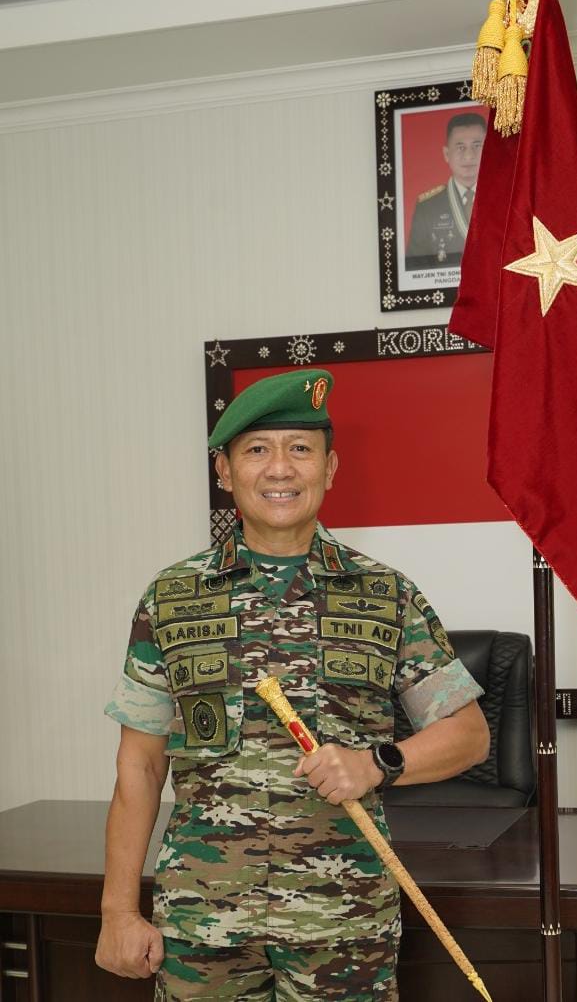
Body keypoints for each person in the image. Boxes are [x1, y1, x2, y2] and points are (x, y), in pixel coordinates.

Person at [97, 368, 490, 1001]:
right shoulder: (170, 598)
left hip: (343, 922)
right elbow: (139, 765)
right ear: (224, 471)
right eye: (257, 450)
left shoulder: (386, 594)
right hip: (203, 922)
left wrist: (377, 764)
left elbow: (468, 736)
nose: (280, 469)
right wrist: (118, 911)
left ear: (330, 469)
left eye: (300, 449)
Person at [405, 111, 486, 270]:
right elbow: (415, 269)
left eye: (477, 146)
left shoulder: (507, 200)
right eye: (460, 147)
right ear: (447, 154)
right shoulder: (427, 208)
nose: (469, 156)